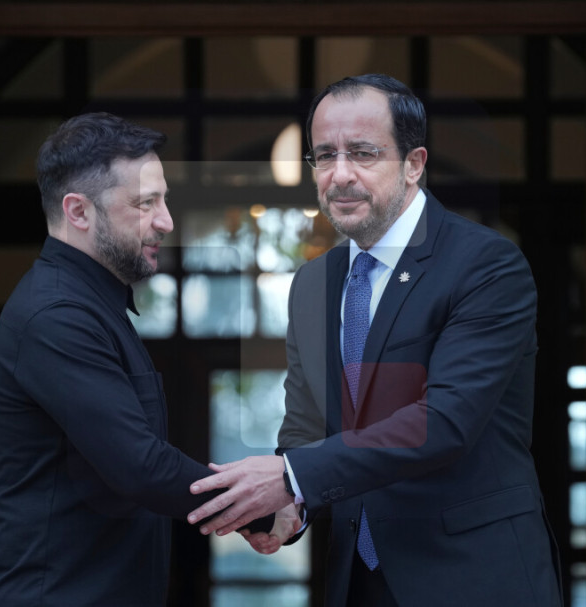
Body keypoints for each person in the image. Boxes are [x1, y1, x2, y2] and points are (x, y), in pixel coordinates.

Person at [187, 75, 564, 606]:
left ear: (414, 163)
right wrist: (290, 507)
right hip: (357, 583)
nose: (340, 174)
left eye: (363, 153)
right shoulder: (312, 283)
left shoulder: (485, 265)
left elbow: (445, 421)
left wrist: (292, 477)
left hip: (472, 578)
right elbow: (306, 427)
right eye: (324, 156)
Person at [0, 112, 277, 607]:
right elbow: (143, 468)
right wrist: (262, 504)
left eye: (163, 200)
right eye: (145, 203)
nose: (166, 221)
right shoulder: (58, 315)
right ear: (78, 211)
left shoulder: (91, 305)